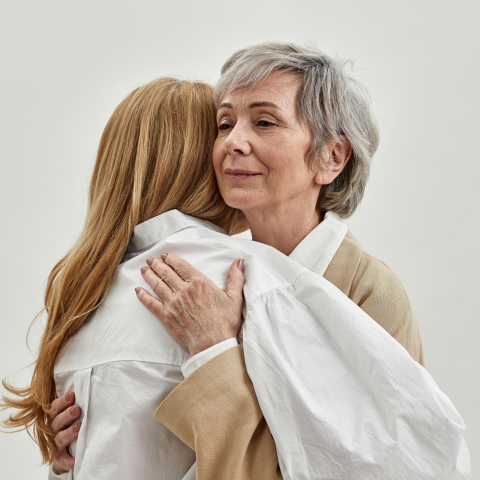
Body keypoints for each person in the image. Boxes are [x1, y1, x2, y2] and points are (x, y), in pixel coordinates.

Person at [3, 44, 469, 479]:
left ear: (331, 157)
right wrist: (91, 442)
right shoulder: (195, 275)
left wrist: (215, 352)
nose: (233, 143)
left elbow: (385, 464)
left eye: (264, 123)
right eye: (224, 125)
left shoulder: (367, 291)